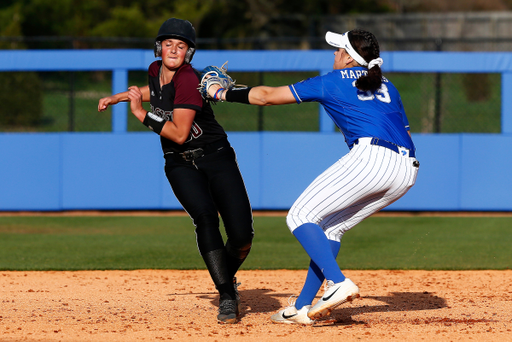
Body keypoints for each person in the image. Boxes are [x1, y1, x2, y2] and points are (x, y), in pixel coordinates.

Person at [204, 29, 419, 324]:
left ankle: (338, 283)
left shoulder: (331, 81)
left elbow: (267, 97)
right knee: (330, 229)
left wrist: (219, 92)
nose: (334, 54)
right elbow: (405, 132)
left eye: (338, 50)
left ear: (348, 58)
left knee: (299, 215)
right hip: (406, 169)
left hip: (373, 157)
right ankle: (302, 308)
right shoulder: (388, 86)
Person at [97, 18, 254, 324]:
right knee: (205, 218)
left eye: (181, 45)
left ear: (188, 53)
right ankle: (226, 294)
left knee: (242, 236)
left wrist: (141, 115)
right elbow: (154, 91)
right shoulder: (155, 70)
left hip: (216, 156)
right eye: (168, 43)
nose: (173, 49)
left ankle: (224, 277)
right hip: (179, 162)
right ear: (159, 47)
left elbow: (180, 132)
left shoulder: (187, 79)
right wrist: (120, 97)